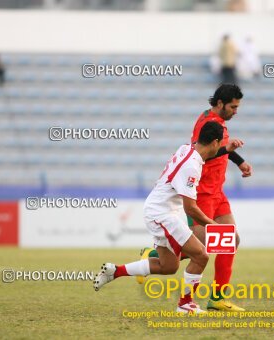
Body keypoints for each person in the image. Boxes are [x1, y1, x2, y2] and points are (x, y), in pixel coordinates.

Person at [93, 121, 244, 314]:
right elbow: (190, 209)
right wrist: (214, 225)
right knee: (201, 255)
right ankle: (185, 304)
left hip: (159, 210)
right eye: (220, 143)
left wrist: (225, 150)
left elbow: (205, 156)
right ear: (215, 142)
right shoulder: (191, 167)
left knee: (168, 266)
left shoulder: (187, 149)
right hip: (161, 214)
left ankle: (115, 271)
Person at [139, 84, 251, 312]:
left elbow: (221, 148)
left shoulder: (219, 123)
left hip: (218, 191)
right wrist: (232, 154)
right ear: (220, 103)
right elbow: (201, 153)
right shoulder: (205, 123)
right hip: (202, 193)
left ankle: (218, 297)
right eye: (233, 106)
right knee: (204, 246)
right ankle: (154, 256)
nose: (235, 111)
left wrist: (239, 161)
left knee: (231, 241)